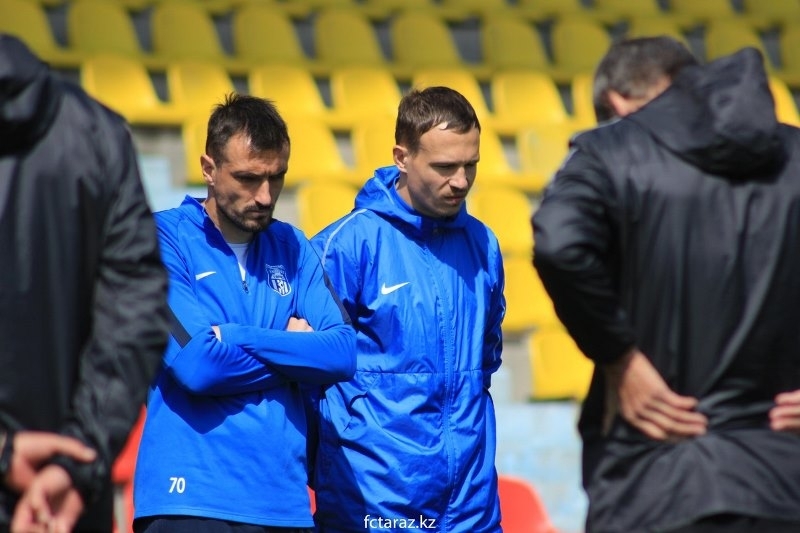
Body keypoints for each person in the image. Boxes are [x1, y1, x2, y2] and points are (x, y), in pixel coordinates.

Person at [532, 36, 800, 533]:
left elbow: (558, 245)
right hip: (784, 481)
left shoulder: (609, 150)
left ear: (615, 104)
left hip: (655, 479)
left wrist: (621, 357)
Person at [132, 93, 357, 533]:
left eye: (277, 177)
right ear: (208, 168)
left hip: (283, 505)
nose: (265, 195)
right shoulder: (160, 239)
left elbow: (342, 354)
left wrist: (236, 336)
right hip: (189, 501)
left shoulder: (294, 246)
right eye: (249, 178)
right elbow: (198, 366)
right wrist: (295, 352)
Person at [310, 86, 505, 533]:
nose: (461, 181)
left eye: (471, 165)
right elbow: (308, 376)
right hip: (375, 501)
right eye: (445, 167)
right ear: (402, 157)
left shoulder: (484, 244)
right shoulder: (347, 246)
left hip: (471, 506)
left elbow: (486, 361)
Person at [0, 34, 170, 532]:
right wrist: (78, 458)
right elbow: (136, 314)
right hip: (66, 502)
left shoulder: (95, 136)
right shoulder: (97, 133)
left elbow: (136, 305)